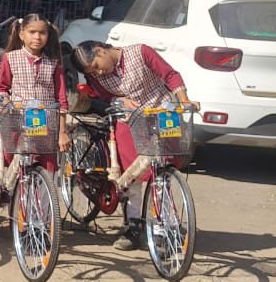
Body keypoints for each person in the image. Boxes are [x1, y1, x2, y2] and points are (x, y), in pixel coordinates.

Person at [71, 40, 198, 251]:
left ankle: (167, 224)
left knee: (162, 172)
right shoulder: (94, 76)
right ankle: (134, 225)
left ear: (100, 51)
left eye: (96, 66)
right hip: (129, 120)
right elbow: (103, 95)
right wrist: (119, 99)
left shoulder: (141, 52)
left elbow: (170, 75)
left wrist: (184, 100)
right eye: (92, 72)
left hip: (161, 113)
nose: (98, 73)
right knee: (135, 176)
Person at [0, 14, 70, 226]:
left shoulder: (54, 63)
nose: (37, 37)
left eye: (42, 33)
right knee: (13, 163)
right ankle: (10, 205)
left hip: (45, 122)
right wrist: (3, 99)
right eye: (32, 32)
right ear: (22, 34)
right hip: (17, 119)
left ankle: (39, 220)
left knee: (45, 170)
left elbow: (61, 99)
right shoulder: (10, 58)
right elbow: (3, 86)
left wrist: (62, 132)